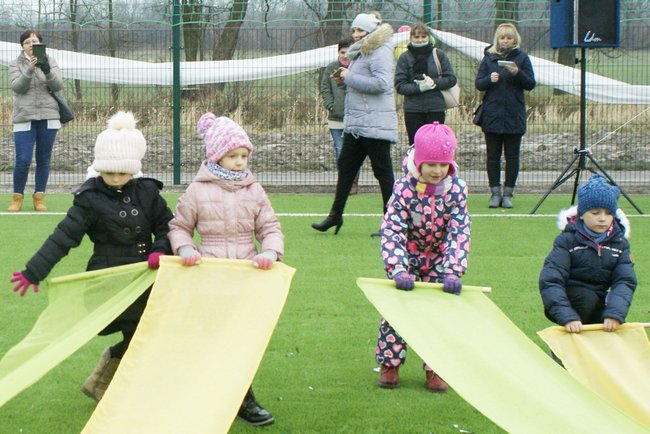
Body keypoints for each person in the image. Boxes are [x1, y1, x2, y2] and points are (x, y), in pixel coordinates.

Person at [9, 111, 174, 402]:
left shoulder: (148, 192)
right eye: (107, 172)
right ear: (98, 168)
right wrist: (34, 271)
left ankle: (103, 381)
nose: (114, 178)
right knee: (140, 333)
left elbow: (166, 224)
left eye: (121, 173)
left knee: (150, 332)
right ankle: (108, 382)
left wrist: (160, 249)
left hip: (147, 279)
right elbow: (63, 237)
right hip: (109, 282)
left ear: (133, 170)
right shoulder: (89, 199)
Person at [167, 112, 284, 427]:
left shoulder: (254, 190)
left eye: (244, 156)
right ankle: (205, 397)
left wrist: (270, 250)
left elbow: (269, 226)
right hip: (210, 278)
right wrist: (186, 248)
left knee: (241, 342)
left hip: (246, 276)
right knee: (210, 340)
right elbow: (179, 227)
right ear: (217, 155)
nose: (239, 162)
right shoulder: (197, 191)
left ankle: (243, 399)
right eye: (233, 156)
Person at [376, 122, 471, 391]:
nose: (437, 171)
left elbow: (459, 230)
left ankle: (436, 367)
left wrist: (453, 270)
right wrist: (397, 268)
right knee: (396, 311)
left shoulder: (456, 190)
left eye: (443, 165)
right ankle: (390, 363)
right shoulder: (403, 188)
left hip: (440, 260)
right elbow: (393, 227)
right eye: (431, 164)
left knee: (438, 315)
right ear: (418, 162)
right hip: (408, 257)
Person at [312, 12, 397, 235]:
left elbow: (381, 84)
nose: (355, 34)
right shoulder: (361, 52)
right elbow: (361, 84)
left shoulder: (380, 51)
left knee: (384, 173)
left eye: (360, 30)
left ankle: (392, 223)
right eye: (354, 30)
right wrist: (344, 81)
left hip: (375, 124)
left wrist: (348, 77)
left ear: (371, 32)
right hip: (357, 124)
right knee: (346, 169)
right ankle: (335, 215)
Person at [539, 174, 636, 335]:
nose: (603, 219)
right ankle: (562, 350)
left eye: (608, 213)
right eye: (595, 213)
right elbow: (551, 280)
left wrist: (614, 313)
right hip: (569, 303)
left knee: (610, 322)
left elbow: (625, 281)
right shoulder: (566, 240)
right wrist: (567, 316)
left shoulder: (620, 244)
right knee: (586, 298)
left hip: (600, 301)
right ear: (581, 214)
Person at [475, 23, 535, 209]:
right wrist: (489, 80)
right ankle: (495, 193)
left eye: (509, 38)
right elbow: (479, 84)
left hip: (514, 115)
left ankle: (508, 193)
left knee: (512, 156)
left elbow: (530, 83)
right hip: (492, 115)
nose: (506, 41)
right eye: (503, 38)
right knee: (492, 156)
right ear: (497, 39)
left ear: (515, 39)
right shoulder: (488, 58)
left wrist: (517, 73)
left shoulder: (522, 58)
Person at [8, 29, 64, 212]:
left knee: (43, 158)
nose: (31, 45)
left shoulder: (51, 61)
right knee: (23, 159)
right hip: (24, 116)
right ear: (22, 45)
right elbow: (17, 88)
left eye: (35, 41)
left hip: (49, 116)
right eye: (27, 42)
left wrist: (46, 70)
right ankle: (17, 197)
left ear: (40, 43)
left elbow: (58, 85)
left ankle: (39, 197)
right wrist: (30, 70)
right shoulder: (15, 63)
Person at [395, 23, 457, 145]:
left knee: (435, 144)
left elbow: (451, 79)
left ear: (429, 37)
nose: (420, 40)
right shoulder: (404, 57)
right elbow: (400, 85)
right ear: (411, 38)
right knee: (415, 145)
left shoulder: (439, 55)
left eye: (423, 36)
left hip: (436, 107)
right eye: (417, 37)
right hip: (413, 109)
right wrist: (419, 88)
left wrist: (434, 82)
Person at [320, 37, 361, 194]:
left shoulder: (359, 68)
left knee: (355, 153)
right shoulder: (331, 68)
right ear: (338, 52)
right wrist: (330, 105)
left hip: (355, 118)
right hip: (336, 118)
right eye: (342, 52)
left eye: (349, 52)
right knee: (340, 152)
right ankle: (344, 182)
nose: (345, 55)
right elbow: (325, 88)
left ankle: (354, 183)